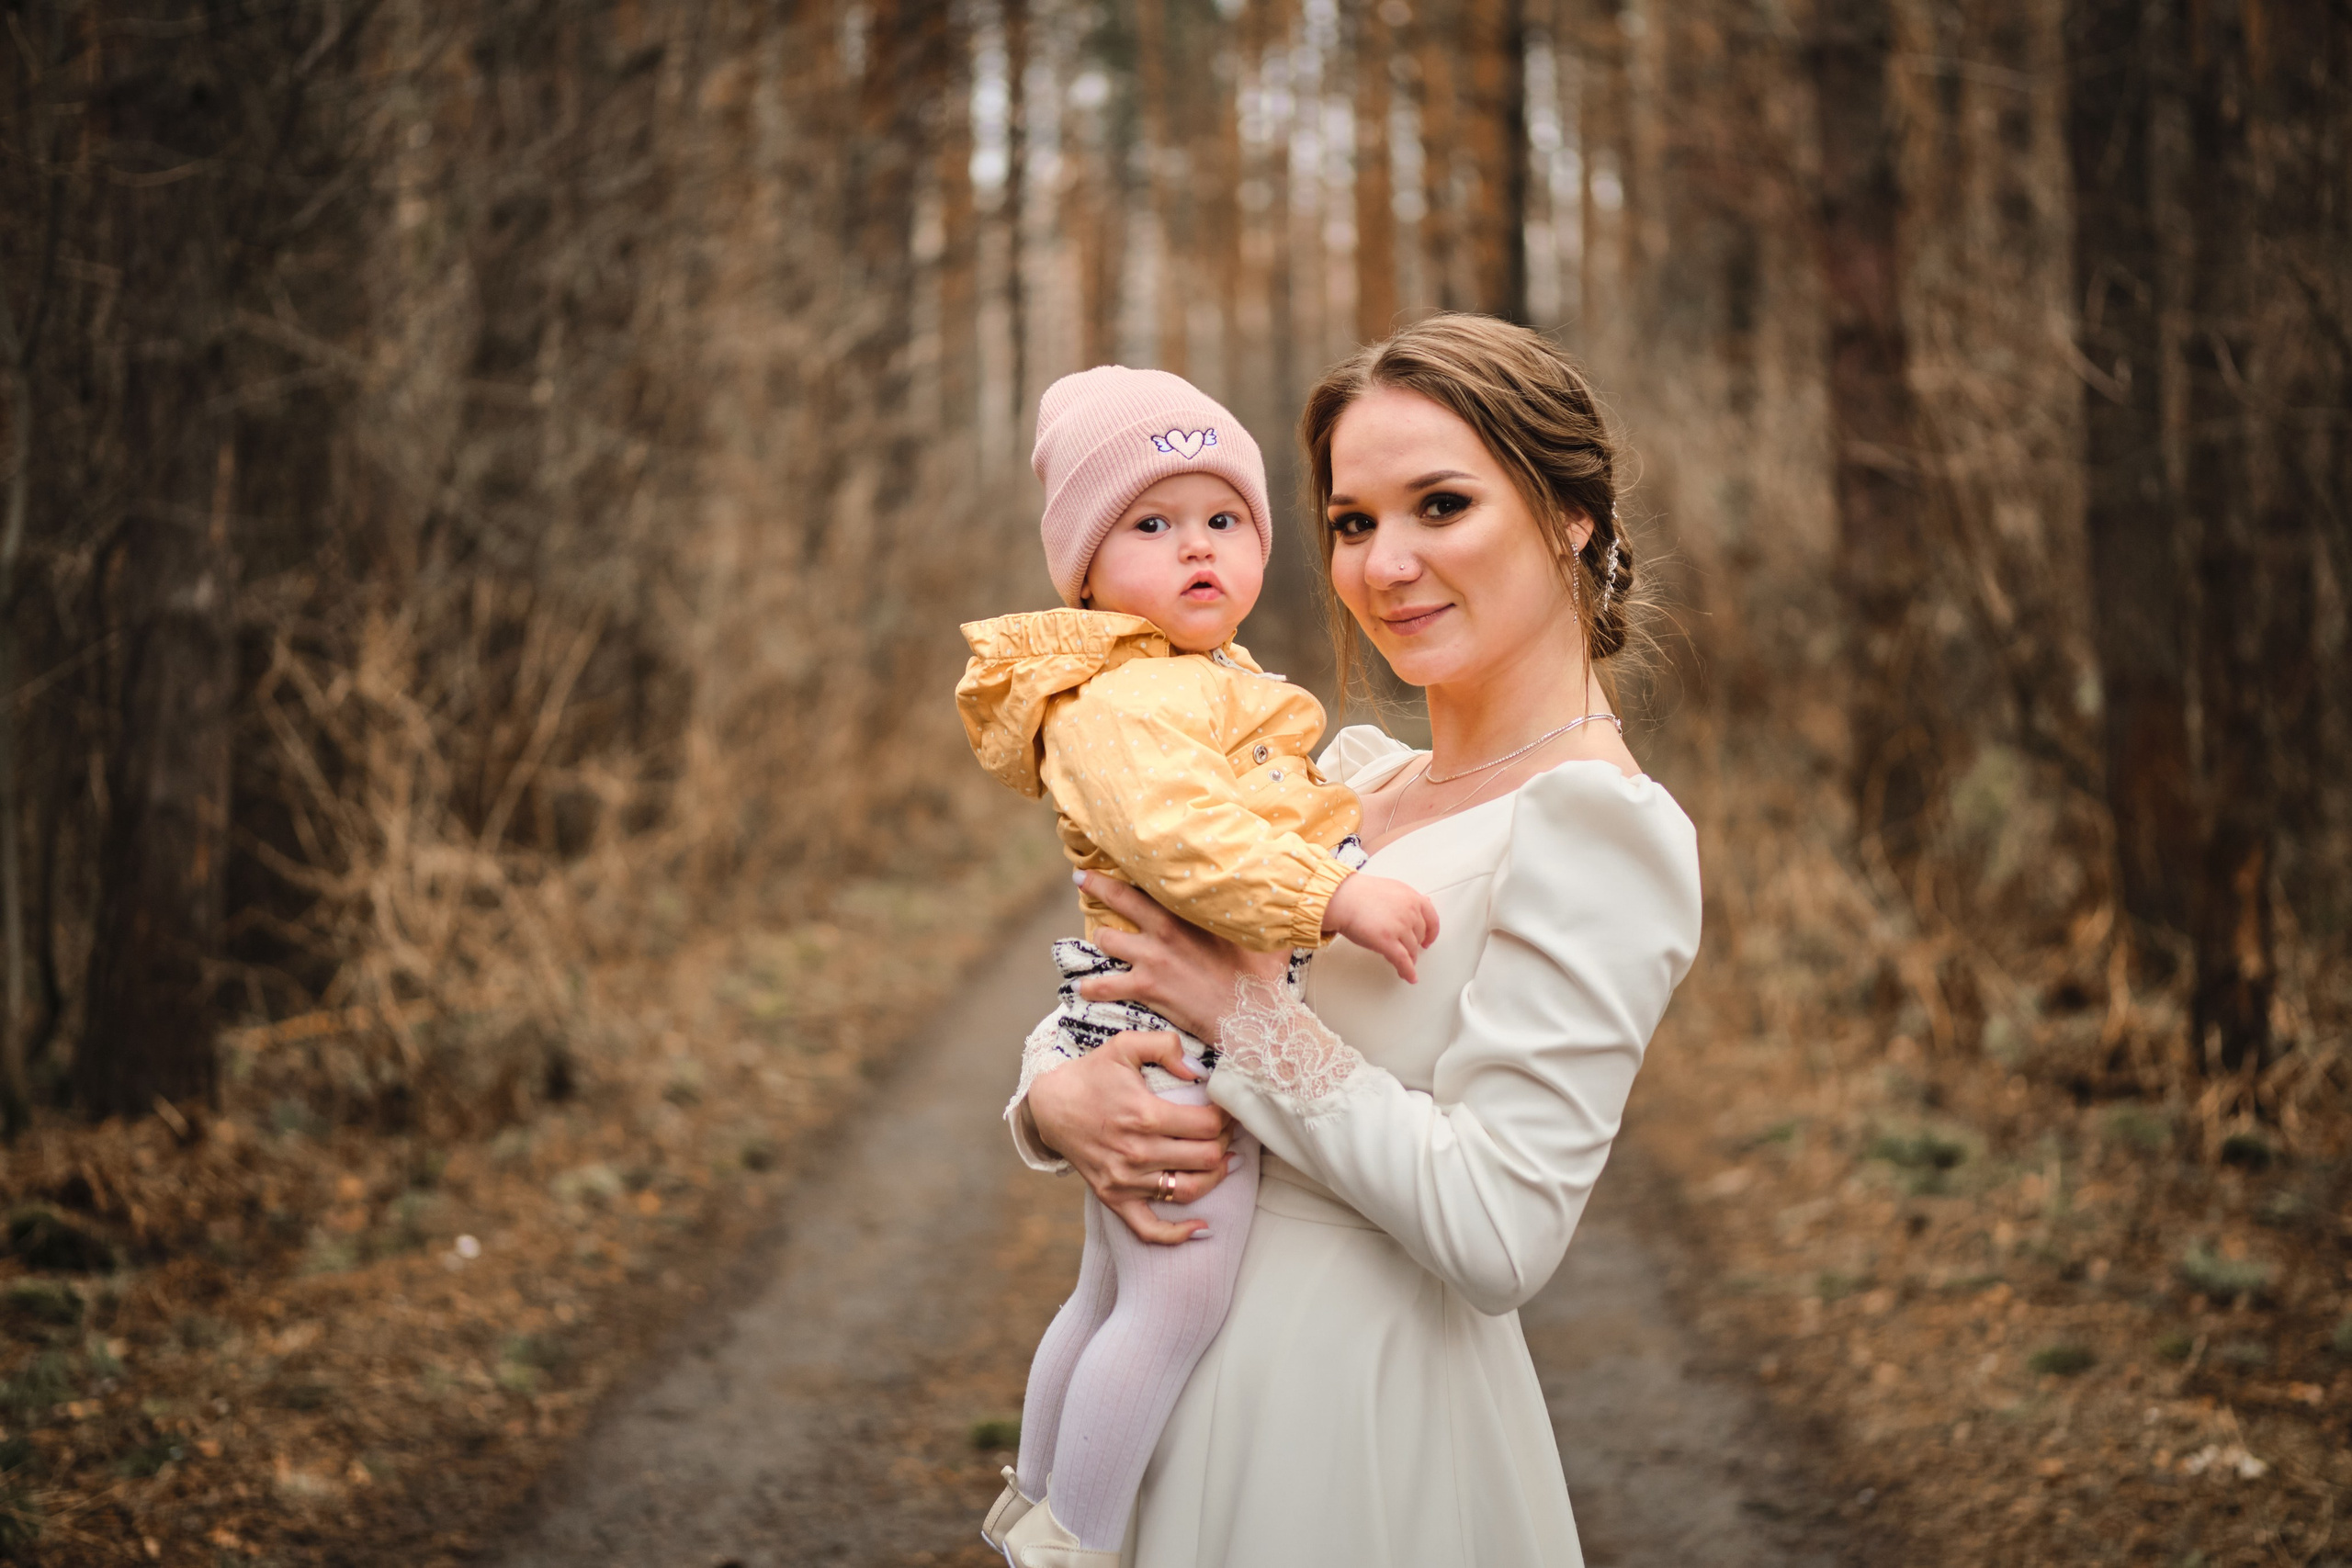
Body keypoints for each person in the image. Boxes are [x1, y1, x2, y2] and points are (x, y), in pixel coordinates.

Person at [1007, 315, 1704, 1567]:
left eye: (1442, 505)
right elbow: (1147, 972)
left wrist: (1246, 1023)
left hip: (1350, 1431)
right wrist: (1054, 1097)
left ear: (1569, 517)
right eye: (1351, 521)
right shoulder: (1347, 781)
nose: (1387, 564)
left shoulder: (1597, 827)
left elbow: (1499, 1233)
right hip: (1173, 1402)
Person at [956, 365, 1442, 1567]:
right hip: (1179, 1036)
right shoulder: (1125, 704)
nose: (1198, 550)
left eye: (1223, 519)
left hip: (1162, 1016)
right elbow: (1189, 842)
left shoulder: (1197, 680)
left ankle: (1040, 1511)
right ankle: (1078, 1537)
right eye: (1153, 524)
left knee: (1114, 1292)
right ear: (1084, 565)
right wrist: (1332, 888)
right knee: (1175, 1295)